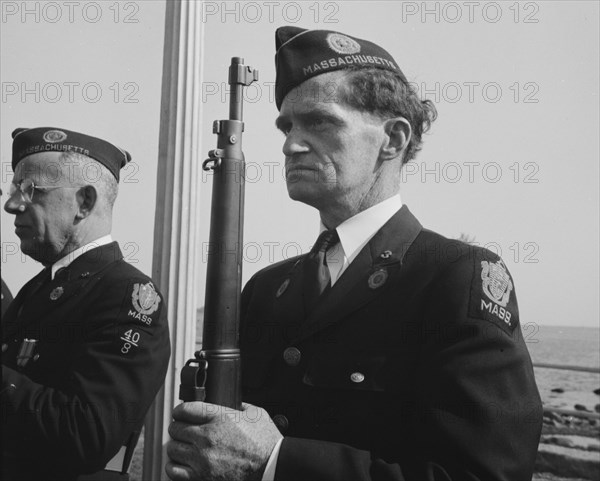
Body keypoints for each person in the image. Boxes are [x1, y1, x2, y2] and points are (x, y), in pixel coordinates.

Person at [166, 27, 542, 481]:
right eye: (287, 126)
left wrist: (277, 462)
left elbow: (484, 473)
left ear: (394, 139)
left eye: (319, 122)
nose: (290, 144)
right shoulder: (267, 289)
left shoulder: (454, 277)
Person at [1, 127, 171, 480]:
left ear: (85, 202)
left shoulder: (127, 294)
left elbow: (86, 435)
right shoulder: (39, 288)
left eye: (29, 190)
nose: (11, 204)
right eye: (13, 188)